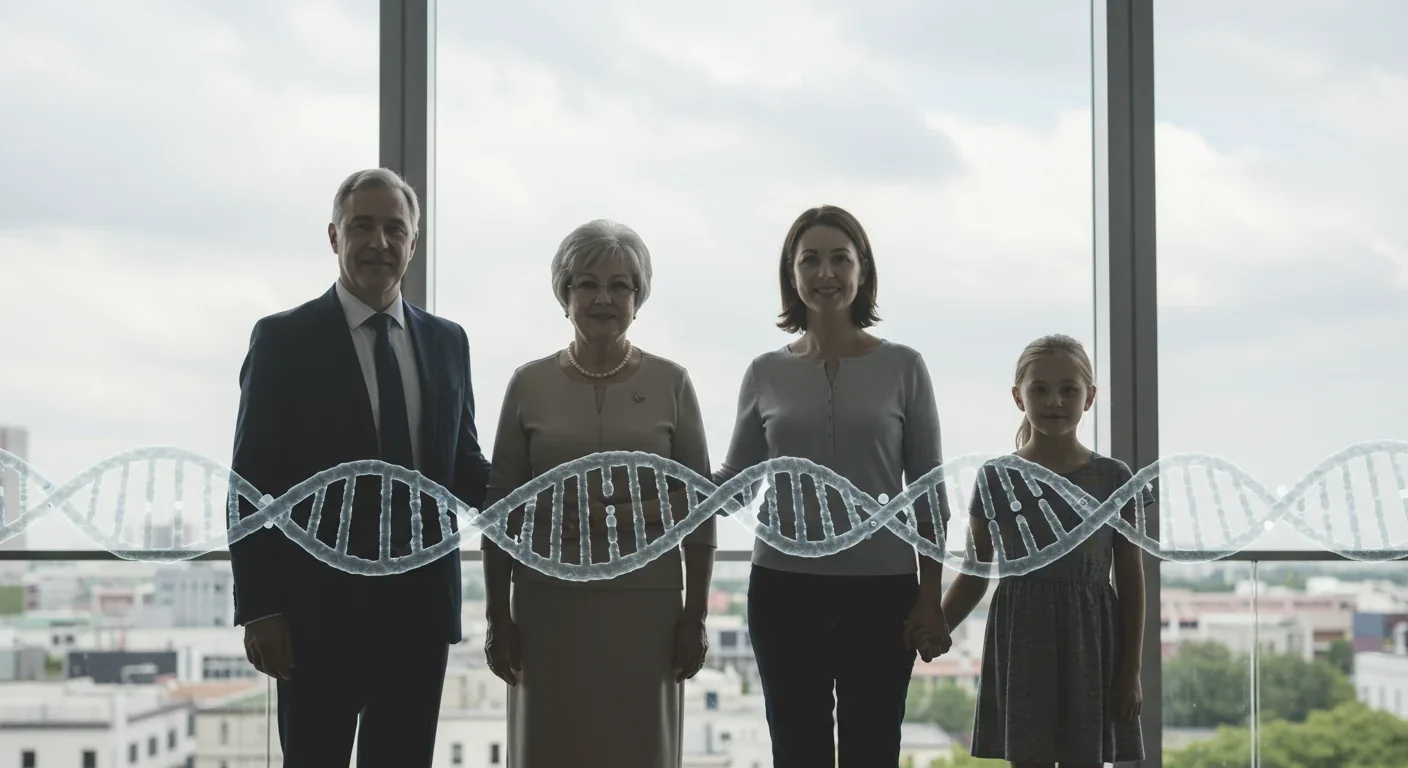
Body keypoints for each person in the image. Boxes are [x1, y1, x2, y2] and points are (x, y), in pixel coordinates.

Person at [228, 168, 491, 767]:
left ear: (413, 243)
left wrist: (538, 503)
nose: (379, 242)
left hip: (420, 614)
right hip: (313, 618)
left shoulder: (449, 341)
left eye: (394, 228)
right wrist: (261, 608)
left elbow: (463, 465)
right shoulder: (283, 340)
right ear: (333, 236)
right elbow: (250, 485)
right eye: (362, 226)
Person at [714, 205, 951, 768]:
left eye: (839, 259)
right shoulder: (763, 373)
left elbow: (928, 493)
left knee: (873, 750)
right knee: (797, 750)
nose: (826, 273)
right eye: (810, 260)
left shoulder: (904, 366)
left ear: (862, 269)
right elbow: (737, 484)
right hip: (783, 589)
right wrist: (665, 491)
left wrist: (929, 596)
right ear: (791, 275)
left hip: (883, 593)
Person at [480, 219, 717, 768]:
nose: (603, 298)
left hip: (650, 612)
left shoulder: (673, 383)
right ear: (564, 295)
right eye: (586, 283)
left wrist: (695, 617)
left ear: (639, 298)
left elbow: (701, 509)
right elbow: (498, 511)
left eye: (621, 285)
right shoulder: (527, 383)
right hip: (545, 610)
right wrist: (497, 618)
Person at [940, 333, 1150, 768]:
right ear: (1019, 397)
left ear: (1089, 398)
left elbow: (1131, 580)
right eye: (1040, 389)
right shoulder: (996, 476)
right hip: (1023, 639)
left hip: (1091, 640)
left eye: (1068, 389)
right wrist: (932, 628)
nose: (1055, 400)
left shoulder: (1114, 477)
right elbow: (976, 573)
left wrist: (1131, 671)